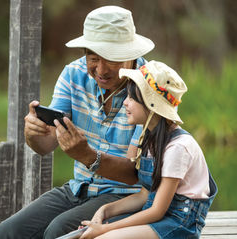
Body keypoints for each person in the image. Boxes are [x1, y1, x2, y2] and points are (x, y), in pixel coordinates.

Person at [0, 5, 154, 239]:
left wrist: (88, 156)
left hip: (127, 197)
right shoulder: (73, 73)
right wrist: (33, 133)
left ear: (130, 54)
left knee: (59, 231)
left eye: (110, 59)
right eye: (93, 58)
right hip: (79, 187)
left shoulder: (150, 85)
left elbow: (135, 174)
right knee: (7, 232)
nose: (101, 69)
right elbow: (46, 145)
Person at [79, 61, 218, 239]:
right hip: (159, 216)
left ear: (151, 104)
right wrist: (105, 211)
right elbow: (145, 195)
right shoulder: (150, 140)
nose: (125, 103)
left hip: (179, 224)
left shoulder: (178, 147)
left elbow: (157, 211)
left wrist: (106, 230)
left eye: (132, 98)